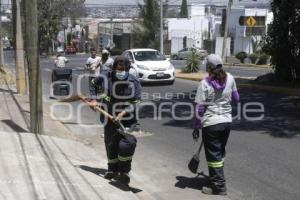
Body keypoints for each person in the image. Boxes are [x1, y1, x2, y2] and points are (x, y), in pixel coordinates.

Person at [89, 56, 142, 185]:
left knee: (128, 143)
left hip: (128, 119)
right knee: (111, 144)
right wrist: (94, 99)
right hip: (109, 116)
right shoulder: (105, 76)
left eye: (123, 69)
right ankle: (112, 170)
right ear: (113, 68)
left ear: (128, 69)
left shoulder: (134, 82)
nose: (120, 71)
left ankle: (124, 172)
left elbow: (135, 102)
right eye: (118, 69)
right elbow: (93, 84)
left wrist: (123, 113)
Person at [192, 54, 240, 195]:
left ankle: (218, 187)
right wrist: (225, 97)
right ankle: (216, 178)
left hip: (211, 124)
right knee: (219, 153)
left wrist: (196, 127)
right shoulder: (230, 78)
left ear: (209, 67)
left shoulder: (204, 84)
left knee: (213, 156)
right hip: (226, 123)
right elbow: (237, 98)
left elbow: (199, 109)